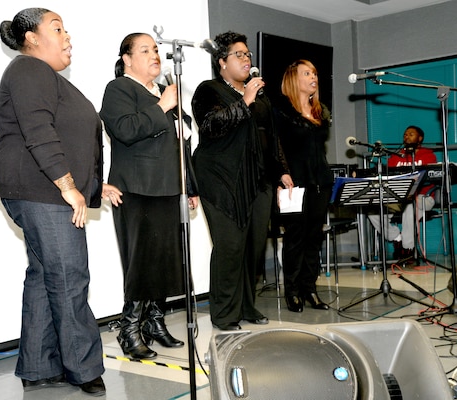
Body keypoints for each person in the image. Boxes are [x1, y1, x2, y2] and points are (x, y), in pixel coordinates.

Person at [0, 8, 122, 396]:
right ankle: (83, 369)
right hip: (43, 189)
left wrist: (96, 184)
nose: (68, 37)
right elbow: (38, 129)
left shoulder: (42, 76)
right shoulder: (28, 69)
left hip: (37, 189)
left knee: (43, 277)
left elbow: (72, 137)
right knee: (69, 277)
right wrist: (67, 185)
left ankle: (38, 366)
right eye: (58, 29)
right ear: (32, 38)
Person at [99, 33, 198, 360]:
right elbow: (124, 130)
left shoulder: (162, 90)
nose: (155, 55)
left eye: (156, 49)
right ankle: (130, 330)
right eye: (146, 50)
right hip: (137, 189)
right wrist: (163, 106)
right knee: (141, 262)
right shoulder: (120, 89)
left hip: (170, 187)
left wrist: (191, 188)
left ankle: (155, 322)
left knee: (166, 261)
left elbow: (182, 145)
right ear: (127, 58)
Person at [191, 31, 293, 331]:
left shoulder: (260, 98)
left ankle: (247, 307)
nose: (247, 59)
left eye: (248, 54)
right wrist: (244, 100)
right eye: (239, 54)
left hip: (257, 182)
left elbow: (270, 139)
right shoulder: (207, 90)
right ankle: (224, 314)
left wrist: (281, 170)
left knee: (252, 247)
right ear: (222, 62)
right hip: (221, 182)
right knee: (230, 246)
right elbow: (210, 126)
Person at [273, 59, 332, 313]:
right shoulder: (281, 111)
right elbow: (274, 147)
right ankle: (293, 292)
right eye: (307, 73)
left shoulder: (321, 112)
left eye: (315, 73)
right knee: (295, 239)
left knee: (313, 238)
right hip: (293, 184)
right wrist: (280, 175)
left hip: (320, 182)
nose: (314, 77)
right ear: (293, 79)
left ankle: (310, 289)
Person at [367, 125, 437, 262]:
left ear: (420, 138)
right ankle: (397, 238)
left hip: (424, 197)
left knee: (409, 205)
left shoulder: (429, 155)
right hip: (398, 196)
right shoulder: (396, 156)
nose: (406, 136)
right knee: (373, 211)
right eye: (405, 134)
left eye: (411, 134)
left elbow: (431, 178)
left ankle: (408, 249)